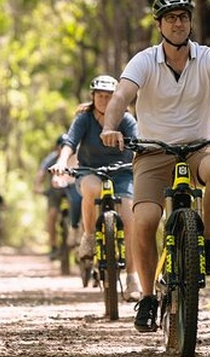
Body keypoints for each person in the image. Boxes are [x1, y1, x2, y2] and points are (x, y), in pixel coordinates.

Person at [99, 0, 210, 332]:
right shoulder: (144, 61)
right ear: (159, 24)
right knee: (144, 220)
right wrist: (109, 127)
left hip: (198, 147)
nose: (178, 23)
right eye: (171, 18)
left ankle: (204, 242)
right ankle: (147, 297)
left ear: (190, 22)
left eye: (184, 17)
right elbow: (120, 97)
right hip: (153, 152)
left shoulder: (208, 58)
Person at [49, 75, 143, 302]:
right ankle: (89, 237)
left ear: (116, 98)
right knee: (91, 189)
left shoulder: (127, 119)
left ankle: (132, 277)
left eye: (109, 96)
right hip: (90, 170)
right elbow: (70, 143)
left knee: (130, 217)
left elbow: (139, 145)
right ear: (93, 97)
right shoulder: (84, 119)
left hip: (122, 173)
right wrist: (62, 162)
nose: (104, 100)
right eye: (100, 96)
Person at [33, 135, 81, 259]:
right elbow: (41, 173)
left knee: (79, 206)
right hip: (55, 190)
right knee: (52, 214)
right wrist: (38, 186)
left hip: (72, 187)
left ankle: (78, 237)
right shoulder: (52, 158)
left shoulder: (78, 157)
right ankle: (53, 245)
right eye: (61, 147)